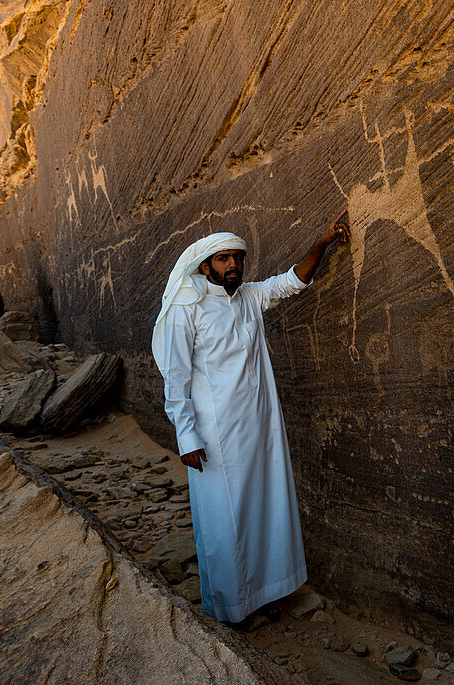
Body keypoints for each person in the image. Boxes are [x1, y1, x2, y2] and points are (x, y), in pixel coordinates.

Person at [151, 211, 350, 622]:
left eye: (238, 259)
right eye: (224, 260)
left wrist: (321, 243)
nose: (233, 266)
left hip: (259, 427)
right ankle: (229, 608)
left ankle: (263, 593)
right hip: (214, 435)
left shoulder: (247, 296)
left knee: (264, 506)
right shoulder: (187, 309)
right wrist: (186, 436)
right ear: (205, 266)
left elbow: (290, 282)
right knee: (225, 517)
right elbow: (176, 379)